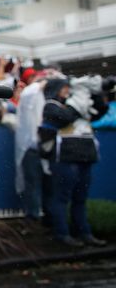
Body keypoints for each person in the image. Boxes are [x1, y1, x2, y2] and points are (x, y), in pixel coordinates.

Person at [39, 77, 107, 247]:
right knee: (61, 197)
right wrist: (80, 101)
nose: (67, 91)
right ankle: (62, 233)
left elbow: (101, 109)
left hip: (85, 155)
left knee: (80, 197)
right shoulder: (51, 105)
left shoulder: (78, 103)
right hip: (65, 158)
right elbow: (64, 117)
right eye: (64, 88)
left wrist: (95, 91)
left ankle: (84, 232)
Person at [14, 69, 47, 221]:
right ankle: (33, 215)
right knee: (32, 182)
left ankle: (40, 214)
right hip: (29, 146)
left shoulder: (37, 94)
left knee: (40, 182)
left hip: (39, 145)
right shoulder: (30, 92)